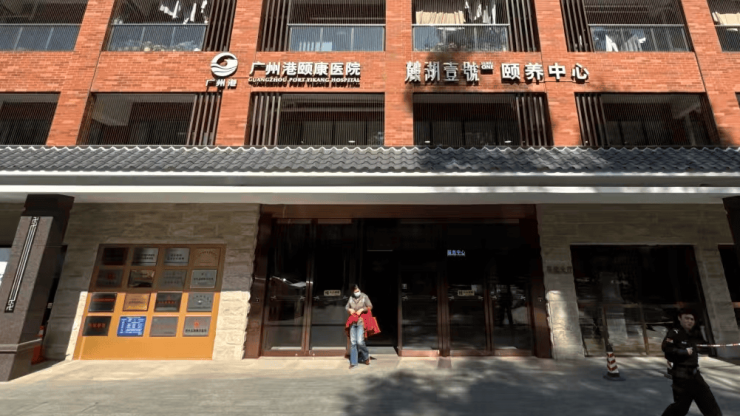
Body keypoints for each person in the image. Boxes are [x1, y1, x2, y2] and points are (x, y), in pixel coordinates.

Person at [661, 309, 722, 416]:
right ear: (680, 318)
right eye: (687, 318)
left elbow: (701, 346)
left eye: (692, 319)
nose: (689, 321)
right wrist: (683, 352)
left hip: (695, 375)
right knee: (680, 408)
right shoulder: (674, 332)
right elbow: (667, 349)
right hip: (681, 376)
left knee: (710, 405)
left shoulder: (692, 334)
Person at [345, 285, 373, 370]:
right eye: (355, 291)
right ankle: (353, 362)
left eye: (357, 291)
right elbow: (346, 307)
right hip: (352, 322)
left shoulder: (364, 296)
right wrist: (349, 310)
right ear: (352, 292)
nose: (357, 292)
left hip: (361, 321)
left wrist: (362, 309)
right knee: (353, 342)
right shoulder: (351, 298)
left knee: (360, 341)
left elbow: (370, 306)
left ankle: (366, 357)